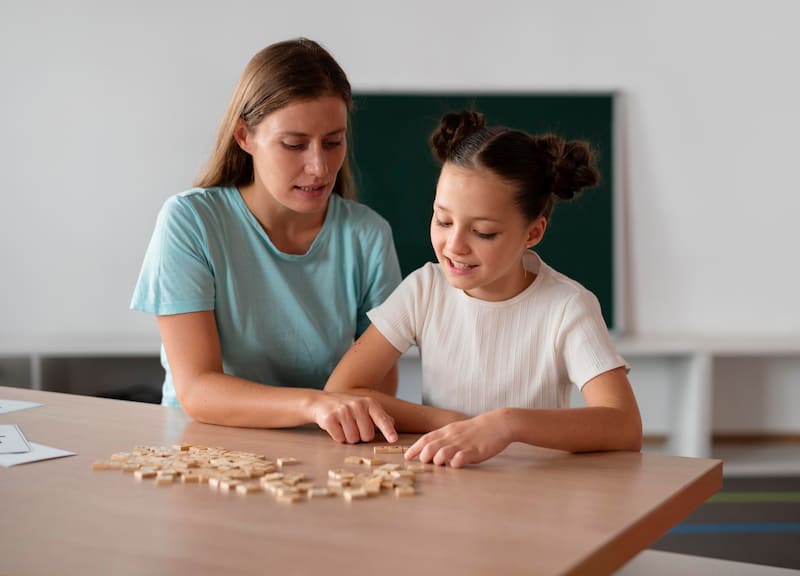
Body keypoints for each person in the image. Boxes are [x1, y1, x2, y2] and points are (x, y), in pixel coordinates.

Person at [325, 110, 642, 466]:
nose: (454, 246)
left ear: (533, 232)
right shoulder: (424, 289)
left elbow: (625, 426)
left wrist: (506, 424)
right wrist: (449, 421)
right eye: (443, 220)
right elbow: (340, 391)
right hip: (445, 481)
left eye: (483, 232)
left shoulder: (568, 306)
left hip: (537, 489)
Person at [131, 38, 401, 444]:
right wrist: (314, 405)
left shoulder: (368, 235)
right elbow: (197, 389)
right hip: (205, 449)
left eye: (333, 142)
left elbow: (379, 388)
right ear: (244, 136)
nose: (319, 166)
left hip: (326, 449)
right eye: (294, 144)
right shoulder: (190, 221)